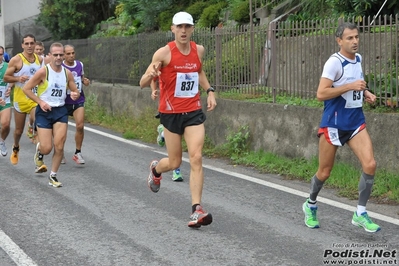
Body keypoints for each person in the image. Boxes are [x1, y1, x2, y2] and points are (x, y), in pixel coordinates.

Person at [140, 11, 217, 228]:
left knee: (196, 157)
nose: (183, 31)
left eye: (187, 27)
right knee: (174, 162)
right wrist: (152, 74)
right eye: (179, 27)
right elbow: (142, 82)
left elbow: (198, 72)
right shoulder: (163, 53)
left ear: (192, 29)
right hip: (170, 113)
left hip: (193, 111)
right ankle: (156, 170)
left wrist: (209, 90)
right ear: (173, 29)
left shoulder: (198, 50)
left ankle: (196, 210)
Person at [302, 22, 380, 233]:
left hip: (355, 122)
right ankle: (310, 204)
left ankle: (360, 213)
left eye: (356, 37)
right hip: (334, 124)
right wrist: (349, 87)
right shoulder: (333, 63)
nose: (355, 41)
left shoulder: (359, 59)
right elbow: (321, 93)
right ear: (339, 41)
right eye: (349, 38)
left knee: (370, 164)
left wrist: (365, 92)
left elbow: (357, 82)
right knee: (324, 172)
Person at [22, 42, 80, 187]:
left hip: (60, 111)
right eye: (56, 55)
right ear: (50, 55)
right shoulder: (43, 72)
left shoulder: (67, 73)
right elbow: (26, 89)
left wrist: (74, 94)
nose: (59, 57)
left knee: (59, 146)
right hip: (44, 111)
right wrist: (40, 102)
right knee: (47, 148)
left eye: (61, 55)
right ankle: (40, 151)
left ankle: (53, 176)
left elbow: (75, 91)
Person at [4, 34, 43, 165]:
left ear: (35, 44)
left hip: (34, 98)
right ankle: (15, 146)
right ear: (22, 45)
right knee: (18, 131)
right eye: (26, 43)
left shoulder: (40, 60)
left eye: (32, 43)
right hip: (20, 100)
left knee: (38, 119)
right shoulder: (16, 60)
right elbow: (6, 78)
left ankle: (39, 158)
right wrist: (17, 79)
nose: (29, 46)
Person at [61, 44, 90, 165]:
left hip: (78, 100)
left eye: (73, 53)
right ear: (63, 55)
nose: (71, 55)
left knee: (80, 126)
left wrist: (85, 80)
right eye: (68, 54)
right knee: (62, 131)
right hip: (63, 102)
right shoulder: (60, 66)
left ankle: (77, 153)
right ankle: (60, 152)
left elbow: (81, 77)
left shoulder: (80, 64)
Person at [150, 78, 183, 181]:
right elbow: (152, 77)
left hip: (186, 106)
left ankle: (163, 133)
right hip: (169, 108)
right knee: (177, 138)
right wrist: (153, 90)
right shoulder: (163, 62)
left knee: (181, 135)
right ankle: (176, 170)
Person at [0, 46, 13, 157]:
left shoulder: (8, 67)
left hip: (5, 100)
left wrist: (10, 88)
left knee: (6, 124)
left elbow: (12, 79)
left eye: (0, 54)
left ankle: (2, 141)